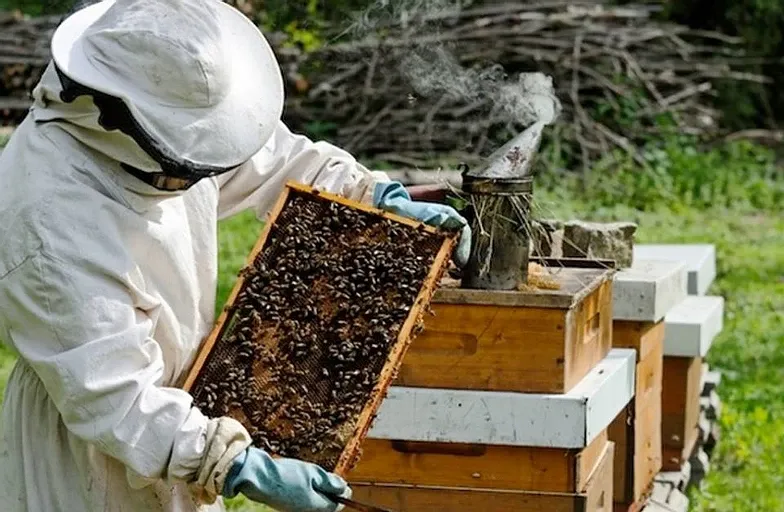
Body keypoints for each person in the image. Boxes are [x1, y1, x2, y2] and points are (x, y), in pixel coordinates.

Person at [0, 0, 471, 511]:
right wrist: (231, 463)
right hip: (86, 460)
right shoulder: (47, 221)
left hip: (178, 421)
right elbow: (116, 400)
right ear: (120, 122)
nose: (200, 175)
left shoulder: (155, 106)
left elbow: (268, 159)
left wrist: (371, 196)